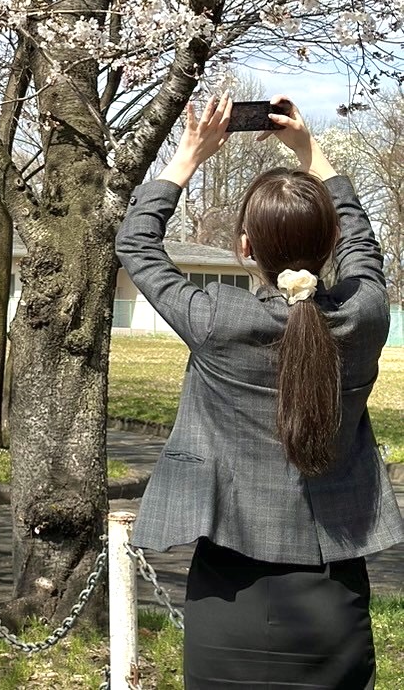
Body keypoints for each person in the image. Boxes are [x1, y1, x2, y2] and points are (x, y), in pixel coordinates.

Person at [116, 94, 404, 690]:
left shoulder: (218, 320)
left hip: (228, 595)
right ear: (328, 245)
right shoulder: (365, 317)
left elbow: (137, 246)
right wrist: (310, 151)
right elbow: (364, 245)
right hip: (332, 593)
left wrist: (189, 156)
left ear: (245, 247)